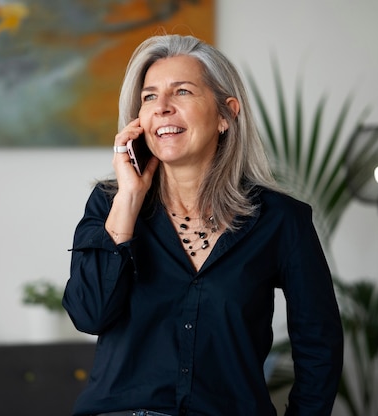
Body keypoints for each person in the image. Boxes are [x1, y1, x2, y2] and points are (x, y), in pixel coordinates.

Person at [62, 34, 343, 416]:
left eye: (181, 92)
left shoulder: (280, 219)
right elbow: (89, 314)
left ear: (226, 115)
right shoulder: (110, 205)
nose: (161, 108)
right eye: (148, 97)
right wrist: (127, 199)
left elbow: (319, 344)